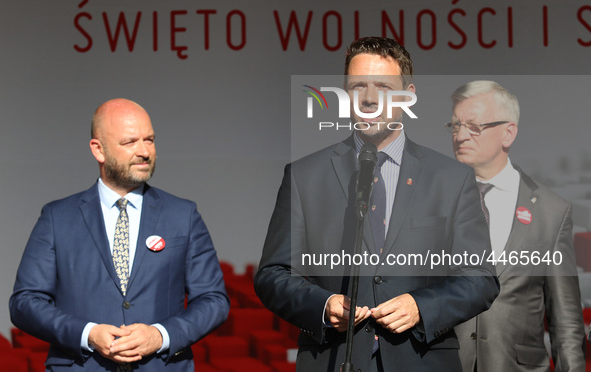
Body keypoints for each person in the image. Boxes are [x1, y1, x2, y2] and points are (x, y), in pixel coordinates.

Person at [254, 37, 499, 372]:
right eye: (357, 87)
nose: (369, 99)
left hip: (421, 360)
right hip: (334, 359)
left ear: (408, 96)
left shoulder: (451, 178)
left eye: (383, 87)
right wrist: (323, 305)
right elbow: (273, 274)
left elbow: (480, 278)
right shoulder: (304, 176)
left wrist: (420, 307)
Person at [10, 98, 230, 371]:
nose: (144, 151)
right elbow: (24, 303)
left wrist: (160, 335)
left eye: (149, 140)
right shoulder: (57, 218)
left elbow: (213, 300)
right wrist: (87, 333)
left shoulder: (183, 215)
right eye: (130, 142)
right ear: (98, 150)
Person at [448, 80, 585, 371]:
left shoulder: (552, 211)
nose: (460, 135)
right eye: (455, 125)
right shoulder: (435, 202)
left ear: (508, 133)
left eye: (473, 126)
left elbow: (566, 320)